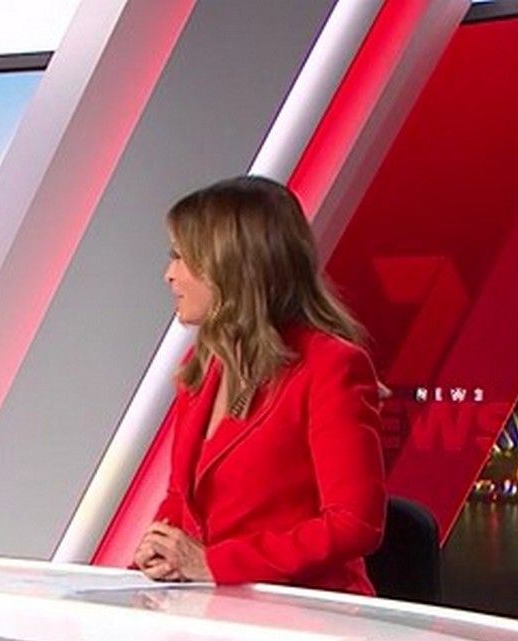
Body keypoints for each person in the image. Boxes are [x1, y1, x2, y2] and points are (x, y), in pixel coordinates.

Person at [133, 175, 386, 594]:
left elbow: (353, 524)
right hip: (213, 605)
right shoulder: (202, 365)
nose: (168, 275)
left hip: (306, 612)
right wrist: (157, 552)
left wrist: (214, 563)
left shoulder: (331, 366)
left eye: (181, 257)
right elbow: (183, 498)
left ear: (228, 266)